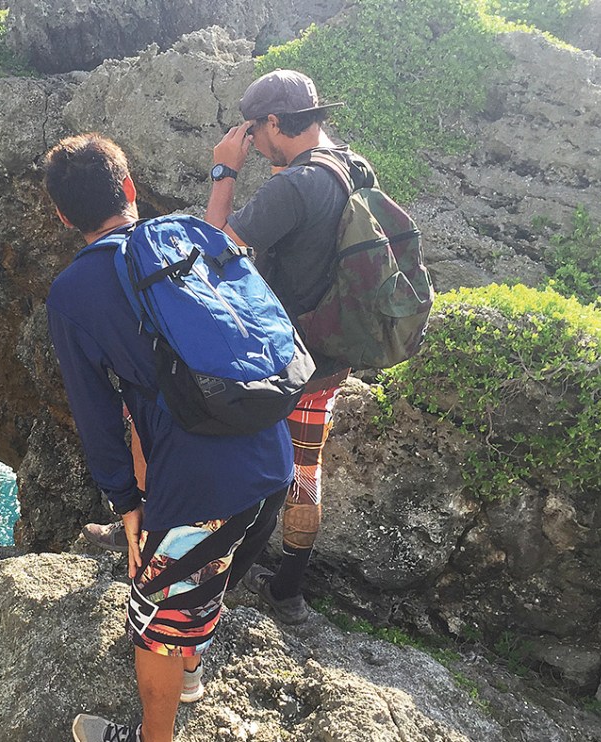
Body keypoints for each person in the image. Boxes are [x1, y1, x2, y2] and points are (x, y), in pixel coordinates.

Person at [42, 133, 293, 742]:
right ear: (130, 189)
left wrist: (126, 504)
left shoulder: (72, 292)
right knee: (207, 578)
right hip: (271, 452)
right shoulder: (191, 237)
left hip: (201, 482)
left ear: (62, 216)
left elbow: (96, 413)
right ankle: (193, 668)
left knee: (154, 622)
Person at [202, 68, 368, 624]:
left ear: (274, 122)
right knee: (305, 469)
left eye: (254, 128)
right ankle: (289, 589)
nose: (251, 138)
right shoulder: (348, 164)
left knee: (248, 465)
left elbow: (216, 250)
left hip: (282, 357)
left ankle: (212, 573)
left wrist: (224, 170)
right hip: (330, 353)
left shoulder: (292, 186)